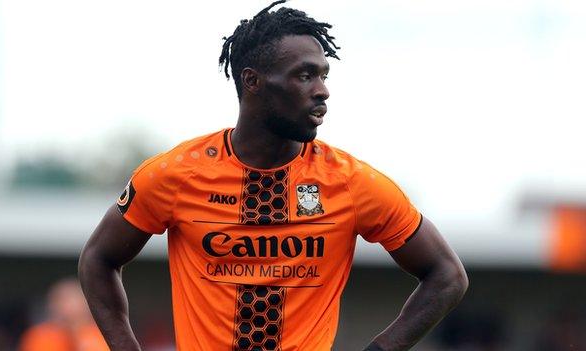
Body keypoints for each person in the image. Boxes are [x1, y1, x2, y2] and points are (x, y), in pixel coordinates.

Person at [78, 1, 469, 350]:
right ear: (253, 81)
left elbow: (447, 275)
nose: (323, 91)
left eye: (324, 76)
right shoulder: (174, 175)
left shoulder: (352, 183)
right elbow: (98, 259)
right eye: (304, 76)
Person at [19, 278, 109, 351]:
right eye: (60, 300)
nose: (66, 308)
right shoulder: (40, 336)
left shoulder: (102, 335)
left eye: (71, 300)